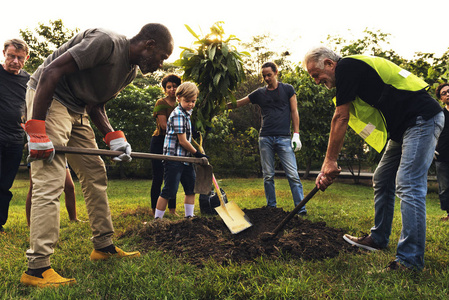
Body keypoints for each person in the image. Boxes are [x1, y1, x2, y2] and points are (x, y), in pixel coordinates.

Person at [19, 23, 174, 287]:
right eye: (162, 57)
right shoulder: (107, 42)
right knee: (51, 177)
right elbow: (50, 71)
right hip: (50, 97)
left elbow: (95, 104)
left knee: (95, 173)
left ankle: (103, 246)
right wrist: (37, 129)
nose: (160, 65)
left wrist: (113, 138)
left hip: (78, 108)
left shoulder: (130, 72)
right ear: (149, 45)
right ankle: (37, 268)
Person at [304, 46, 444, 272]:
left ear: (330, 64)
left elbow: (340, 116)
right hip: (403, 129)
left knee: (408, 183)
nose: (316, 81)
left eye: (316, 74)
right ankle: (378, 239)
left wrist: (329, 161)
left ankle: (410, 260)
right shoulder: (352, 77)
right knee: (382, 178)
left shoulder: (347, 66)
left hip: (421, 119)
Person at [226, 62, 306, 213]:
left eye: (269, 75)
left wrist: (296, 134)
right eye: (264, 76)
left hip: (284, 138)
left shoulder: (288, 89)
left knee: (293, 175)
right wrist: (222, 106)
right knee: (268, 175)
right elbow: (239, 103)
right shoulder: (259, 93)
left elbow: (294, 111)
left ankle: (300, 209)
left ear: (276, 72)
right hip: (265, 138)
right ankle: (271, 207)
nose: (267, 78)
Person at [154, 82, 207, 219]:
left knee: (191, 188)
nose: (190, 104)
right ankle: (157, 219)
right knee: (169, 190)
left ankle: (189, 217)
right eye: (187, 101)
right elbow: (182, 141)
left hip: (186, 159)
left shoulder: (186, 113)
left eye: (193, 101)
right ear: (178, 98)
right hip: (174, 158)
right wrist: (197, 153)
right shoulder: (178, 114)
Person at [0, 39, 30, 234]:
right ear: (4, 53)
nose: (15, 61)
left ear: (26, 58)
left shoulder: (28, 80)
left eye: (20, 58)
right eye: (11, 56)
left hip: (16, 139)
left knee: (5, 185)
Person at [150, 74, 181, 216]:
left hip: (176, 142)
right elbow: (164, 125)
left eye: (174, 86)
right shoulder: (160, 103)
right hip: (160, 141)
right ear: (165, 89)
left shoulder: (183, 104)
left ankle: (172, 210)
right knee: (158, 176)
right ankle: (154, 209)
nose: (172, 89)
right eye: (169, 87)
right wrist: (182, 133)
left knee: (172, 176)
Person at [26, 162, 80, 226]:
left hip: (59, 157)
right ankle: (30, 223)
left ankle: (73, 219)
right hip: (39, 156)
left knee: (69, 187)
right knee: (33, 187)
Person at [435, 83, 449, 221]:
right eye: (443, 93)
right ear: (441, 99)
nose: (447, 94)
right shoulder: (440, 115)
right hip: (442, 156)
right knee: (444, 188)